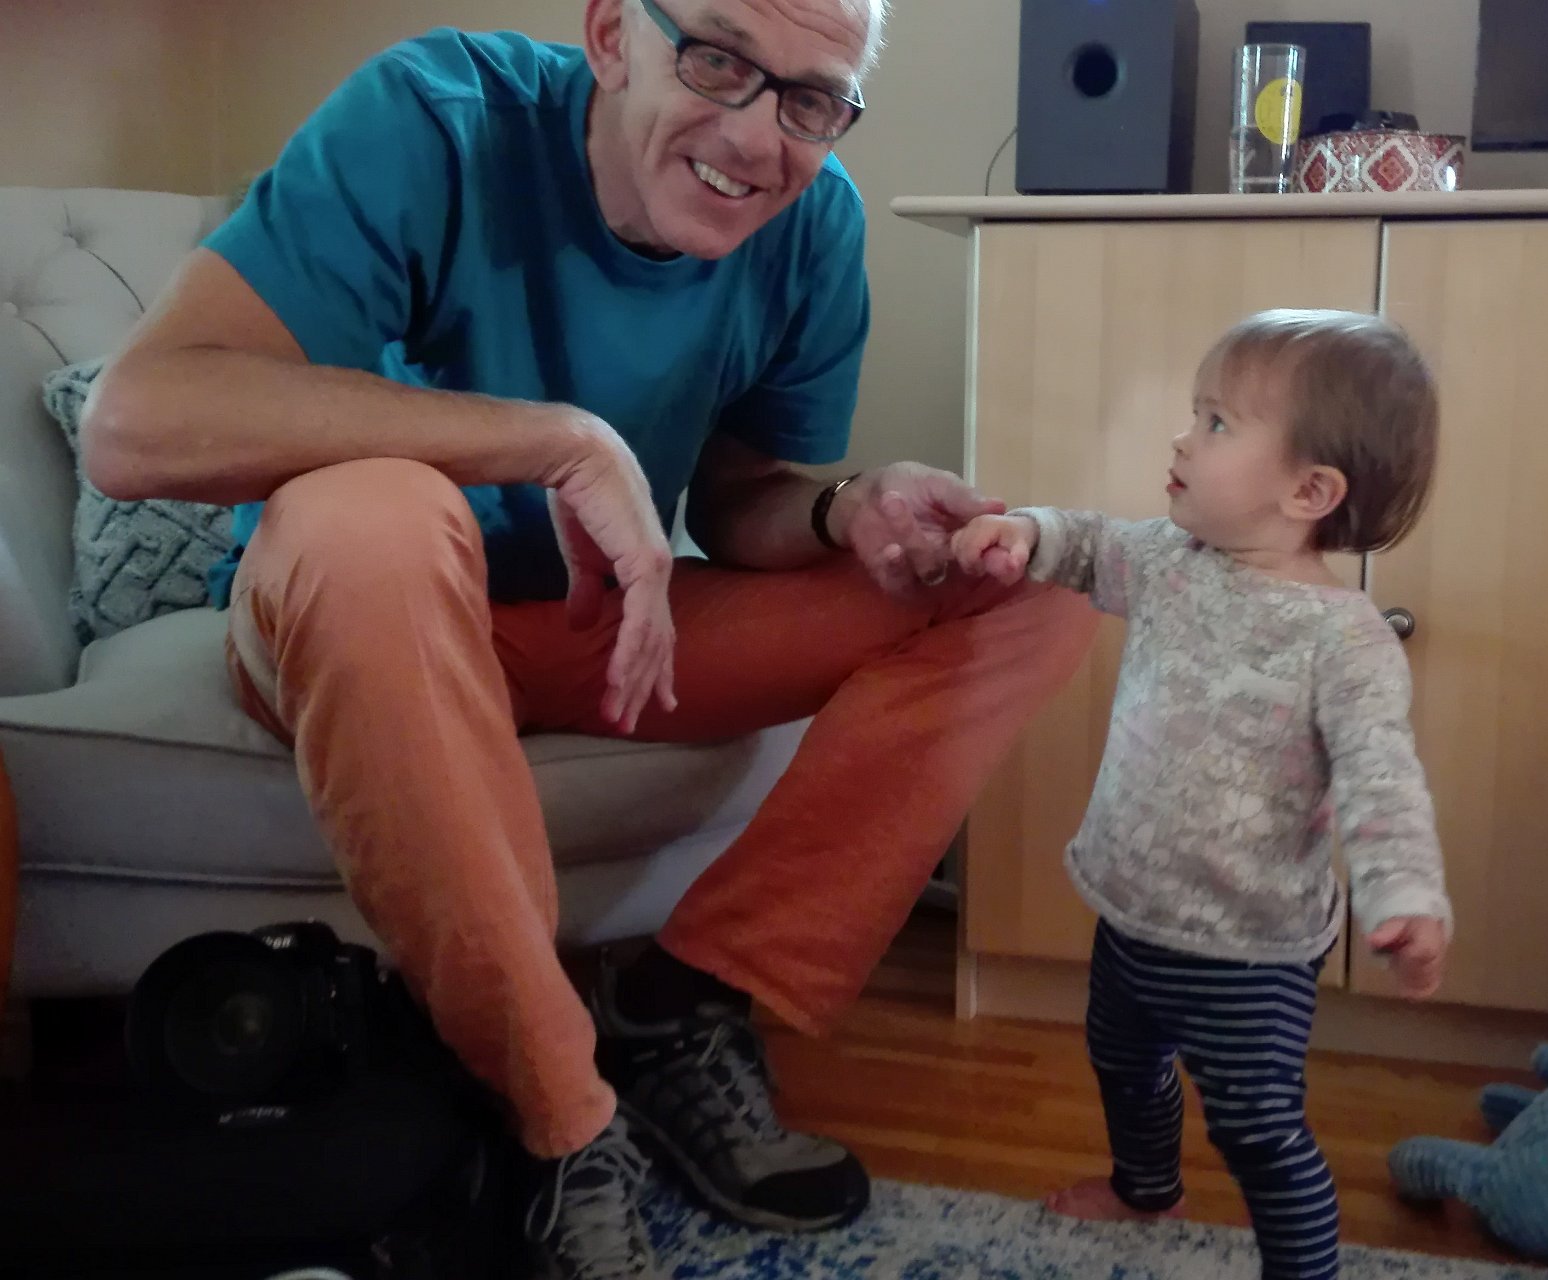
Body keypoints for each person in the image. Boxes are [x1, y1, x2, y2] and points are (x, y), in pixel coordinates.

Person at [80, 0, 1096, 1275]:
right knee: (375, 518)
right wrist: (554, 439)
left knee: (1032, 578)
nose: (757, 137)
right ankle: (560, 1111)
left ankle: (680, 1000)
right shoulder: (435, 118)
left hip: (602, 624)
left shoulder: (810, 220)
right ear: (614, 35)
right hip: (359, 613)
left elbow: (737, 501)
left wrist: (845, 505)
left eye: (810, 99)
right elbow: (134, 420)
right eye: (717, 59)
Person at [951, 309, 1454, 1280]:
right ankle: (1147, 1186)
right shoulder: (1167, 563)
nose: (1183, 438)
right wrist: (1022, 533)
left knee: (1257, 1127)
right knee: (1122, 1063)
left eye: (1217, 423)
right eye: (1195, 413)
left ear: (1309, 491)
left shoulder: (1343, 639)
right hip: (1132, 910)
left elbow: (1381, 774)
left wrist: (1405, 893)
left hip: (1249, 945)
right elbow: (1087, 545)